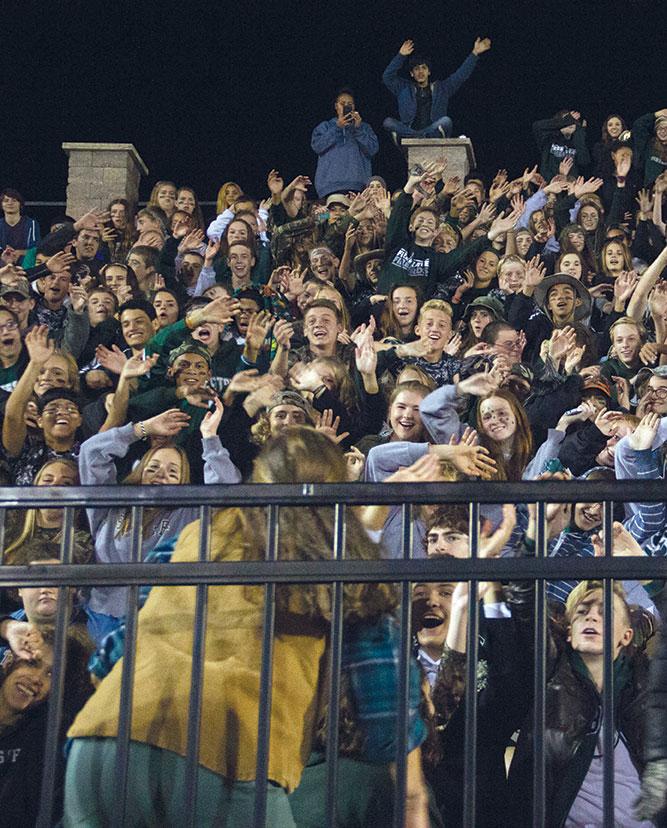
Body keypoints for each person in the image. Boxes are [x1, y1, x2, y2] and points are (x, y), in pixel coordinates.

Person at [64, 428, 430, 827]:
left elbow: (120, 645)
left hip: (103, 734)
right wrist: (409, 789)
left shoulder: (197, 534)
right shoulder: (338, 557)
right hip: (226, 748)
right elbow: (383, 705)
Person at [382, 37, 492, 142]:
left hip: (432, 133)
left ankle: (421, 136)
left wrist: (474, 54)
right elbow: (387, 77)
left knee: (446, 121)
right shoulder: (403, 88)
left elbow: (460, 75)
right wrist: (401, 55)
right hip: (409, 132)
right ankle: (417, 136)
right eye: (416, 69)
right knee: (388, 122)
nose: (420, 72)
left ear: (429, 72)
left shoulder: (442, 89)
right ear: (412, 74)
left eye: (424, 68)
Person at [311, 89, 379, 199]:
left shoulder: (363, 127)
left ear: (354, 107)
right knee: (327, 216)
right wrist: (337, 127)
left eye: (350, 104)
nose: (346, 106)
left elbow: (373, 149)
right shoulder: (325, 127)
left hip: (358, 188)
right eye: (342, 103)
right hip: (329, 188)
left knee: (354, 217)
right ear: (336, 106)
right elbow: (317, 146)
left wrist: (358, 129)